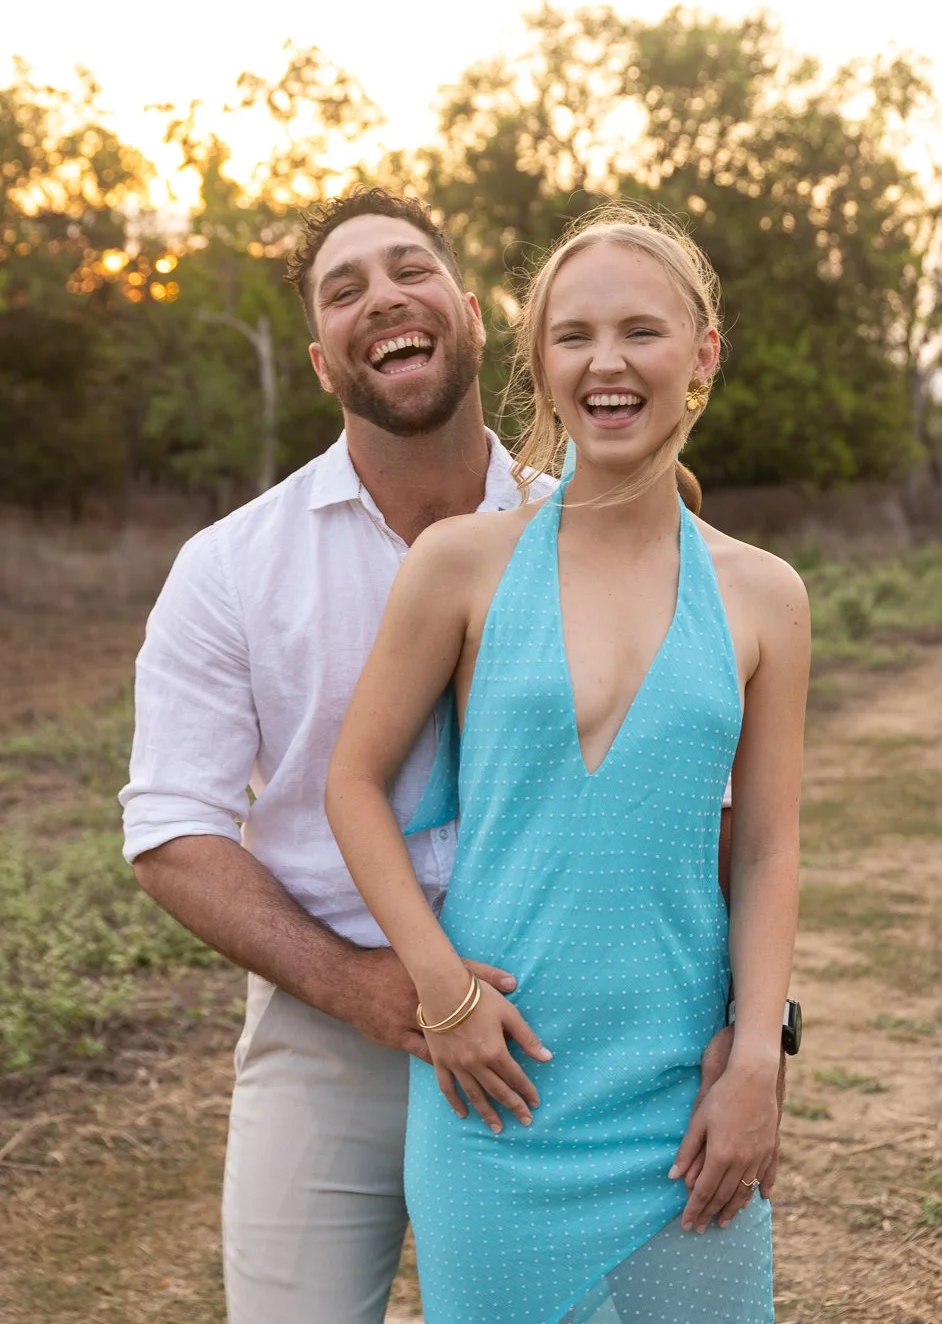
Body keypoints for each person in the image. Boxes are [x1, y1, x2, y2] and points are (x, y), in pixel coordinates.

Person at [120, 189, 772, 1324]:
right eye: (344, 288)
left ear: (473, 317)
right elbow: (171, 832)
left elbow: (708, 810)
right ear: (323, 360)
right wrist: (382, 987)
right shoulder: (232, 566)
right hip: (331, 1009)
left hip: (581, 1031)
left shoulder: (604, 512)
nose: (383, 297)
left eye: (409, 269)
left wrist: (752, 1029)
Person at [326, 204, 809, 1323]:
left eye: (641, 331)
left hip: (680, 1101)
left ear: (703, 355)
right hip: (496, 1095)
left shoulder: (766, 595)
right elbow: (351, 786)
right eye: (574, 336)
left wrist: (754, 1063)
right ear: (539, 365)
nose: (608, 363)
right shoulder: (460, 566)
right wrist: (442, 993)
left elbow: (770, 848)